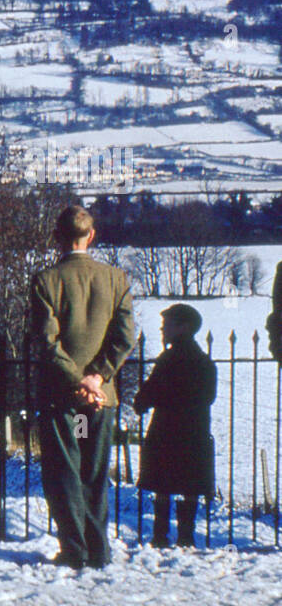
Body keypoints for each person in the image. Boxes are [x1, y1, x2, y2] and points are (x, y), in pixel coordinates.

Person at [30, 205, 137, 570]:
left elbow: (47, 343)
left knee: (64, 472)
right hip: (100, 398)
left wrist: (77, 379)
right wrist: (98, 377)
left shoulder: (45, 280)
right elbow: (125, 338)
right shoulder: (116, 279)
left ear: (57, 236)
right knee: (94, 473)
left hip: (62, 397)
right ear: (91, 236)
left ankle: (74, 549)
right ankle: (99, 550)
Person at [133, 303, 216, 548]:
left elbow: (148, 394)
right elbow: (208, 397)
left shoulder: (169, 360)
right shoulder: (203, 362)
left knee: (163, 483)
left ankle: (160, 536)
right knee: (189, 484)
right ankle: (186, 536)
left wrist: (143, 402)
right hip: (194, 432)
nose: (162, 329)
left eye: (167, 325)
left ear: (183, 328)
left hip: (166, 430)